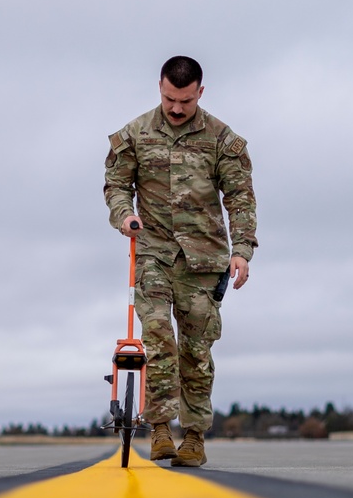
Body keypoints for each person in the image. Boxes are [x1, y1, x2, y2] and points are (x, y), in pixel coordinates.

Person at [103, 56, 258, 466]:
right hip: (152, 250)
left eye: (185, 101)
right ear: (159, 87)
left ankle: (193, 437)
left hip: (204, 261)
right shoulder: (134, 134)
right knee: (157, 337)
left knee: (196, 350)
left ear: (200, 94)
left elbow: (240, 197)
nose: (175, 108)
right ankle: (158, 429)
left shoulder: (223, 140)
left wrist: (242, 249)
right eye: (170, 98)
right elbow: (116, 184)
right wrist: (125, 214)